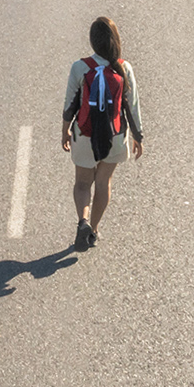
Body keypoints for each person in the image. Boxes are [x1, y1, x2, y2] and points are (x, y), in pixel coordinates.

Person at [60, 16, 143, 251]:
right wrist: (138, 137)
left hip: (85, 134)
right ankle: (94, 230)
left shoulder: (80, 67)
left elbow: (70, 103)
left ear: (92, 41)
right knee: (104, 182)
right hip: (115, 137)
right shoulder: (124, 68)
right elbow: (132, 106)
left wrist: (65, 130)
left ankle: (83, 221)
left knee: (83, 184)